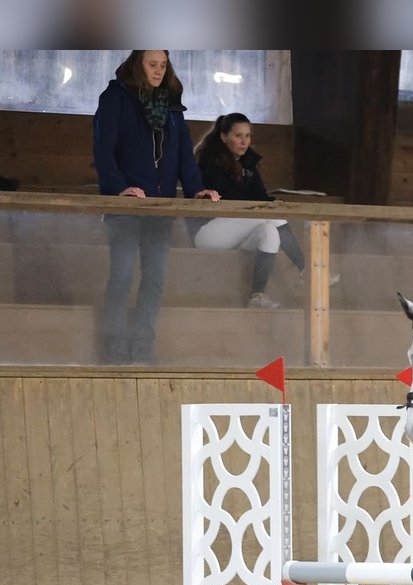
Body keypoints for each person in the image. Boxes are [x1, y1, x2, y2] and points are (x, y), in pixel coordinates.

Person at [92, 50, 219, 364]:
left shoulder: (172, 106)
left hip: (161, 207)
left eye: (163, 65)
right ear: (138, 64)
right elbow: (104, 150)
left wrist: (196, 190)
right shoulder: (116, 98)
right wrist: (119, 189)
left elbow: (183, 158)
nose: (158, 70)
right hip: (125, 205)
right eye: (152, 64)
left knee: (155, 278)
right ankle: (114, 345)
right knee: (122, 275)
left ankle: (143, 345)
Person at [191, 112, 307, 310]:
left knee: (270, 232)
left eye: (248, 135)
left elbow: (260, 195)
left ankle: (257, 295)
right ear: (224, 137)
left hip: (238, 231)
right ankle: (306, 269)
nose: (244, 141)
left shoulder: (248, 162)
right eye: (238, 135)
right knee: (272, 216)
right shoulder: (209, 161)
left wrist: (274, 202)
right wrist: (265, 205)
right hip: (209, 231)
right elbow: (229, 196)